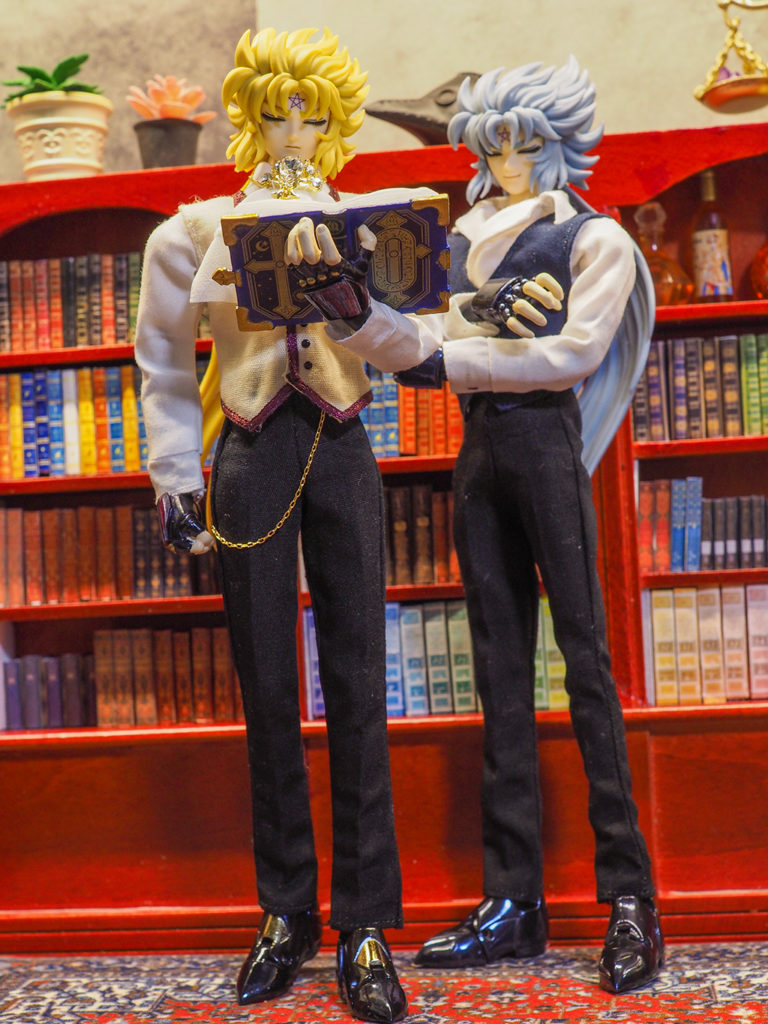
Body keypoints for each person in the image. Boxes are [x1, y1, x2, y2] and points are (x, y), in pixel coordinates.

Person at [287, 57, 663, 995]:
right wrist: (356, 314)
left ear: (559, 144)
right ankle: (513, 898)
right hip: (481, 456)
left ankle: (631, 897)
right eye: (492, 143)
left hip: (546, 448)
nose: (507, 160)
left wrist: (453, 353)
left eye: (524, 142)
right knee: (498, 670)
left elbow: (572, 354)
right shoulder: (457, 238)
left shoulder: (594, 237)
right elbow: (416, 341)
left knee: (586, 663)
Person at [134, 26, 409, 1022]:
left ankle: (366, 922)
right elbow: (164, 359)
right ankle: (286, 911)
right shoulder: (193, 230)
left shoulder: (370, 226)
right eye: (278, 113)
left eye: (313, 116)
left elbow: (411, 339)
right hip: (249, 451)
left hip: (341, 443)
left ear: (334, 125)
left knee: (361, 682)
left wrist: (361, 299)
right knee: (267, 685)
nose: (295, 130)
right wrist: (176, 476)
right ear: (250, 117)